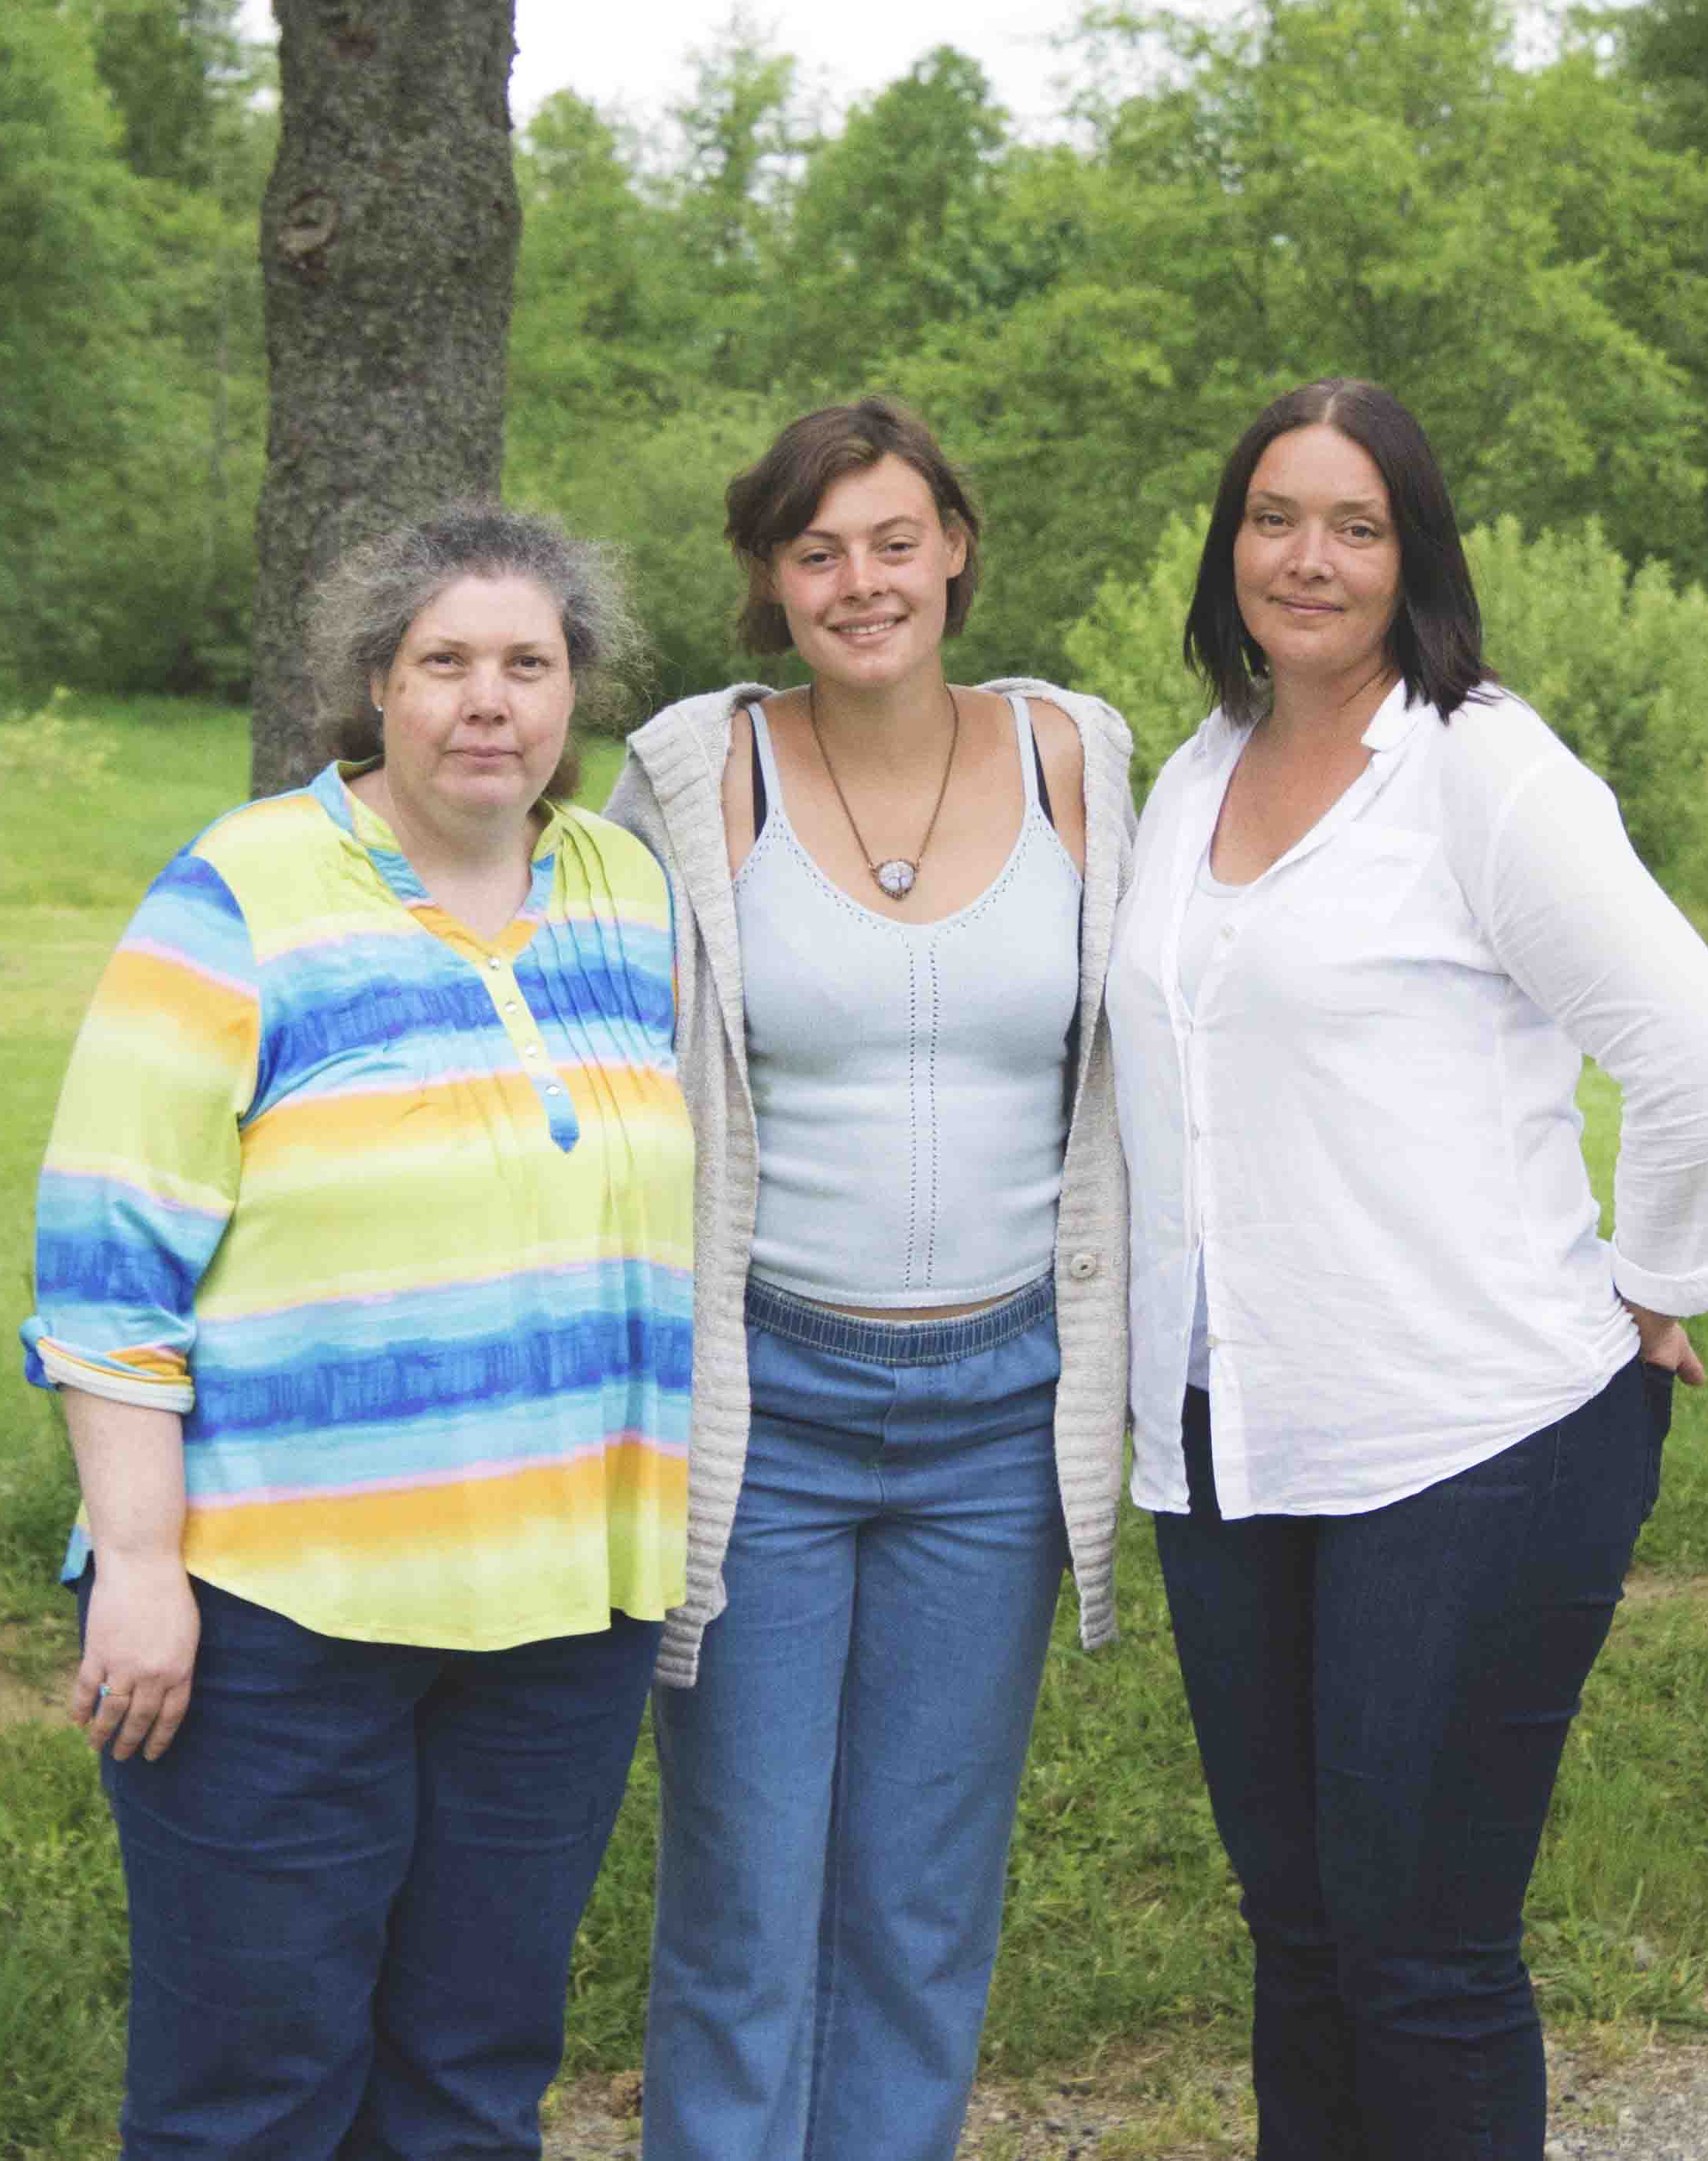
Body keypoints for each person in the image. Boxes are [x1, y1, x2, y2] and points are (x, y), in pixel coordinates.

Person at [1110, 379, 1708, 2159]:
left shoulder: (1477, 766)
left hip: (1473, 1433)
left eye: (1351, 522)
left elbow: (1702, 1061)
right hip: (1232, 1441)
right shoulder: (1192, 773)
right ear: (1225, 544)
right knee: (1299, 1938)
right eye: (1271, 517)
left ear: (1412, 553)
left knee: (1418, 1951)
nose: (1304, 556)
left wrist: (1660, 1282)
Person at [22, 506, 691, 2161]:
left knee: (470, 2082)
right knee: (251, 2090)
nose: (489, 700)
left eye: (526, 663)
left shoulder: (623, 889)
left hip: (557, 1608)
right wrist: (140, 1561)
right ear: (373, 685)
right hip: (273, 1615)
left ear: (573, 692)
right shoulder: (240, 888)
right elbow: (106, 1262)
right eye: (444, 660)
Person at [599, 397, 1136, 2161]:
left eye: (893, 540)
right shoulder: (699, 768)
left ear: (957, 546)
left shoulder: (1078, 753)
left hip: (998, 1411)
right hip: (768, 1405)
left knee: (918, 1902)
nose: (860, 581)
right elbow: (605, 1041)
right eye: (816, 550)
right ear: (767, 576)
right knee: (746, 1900)